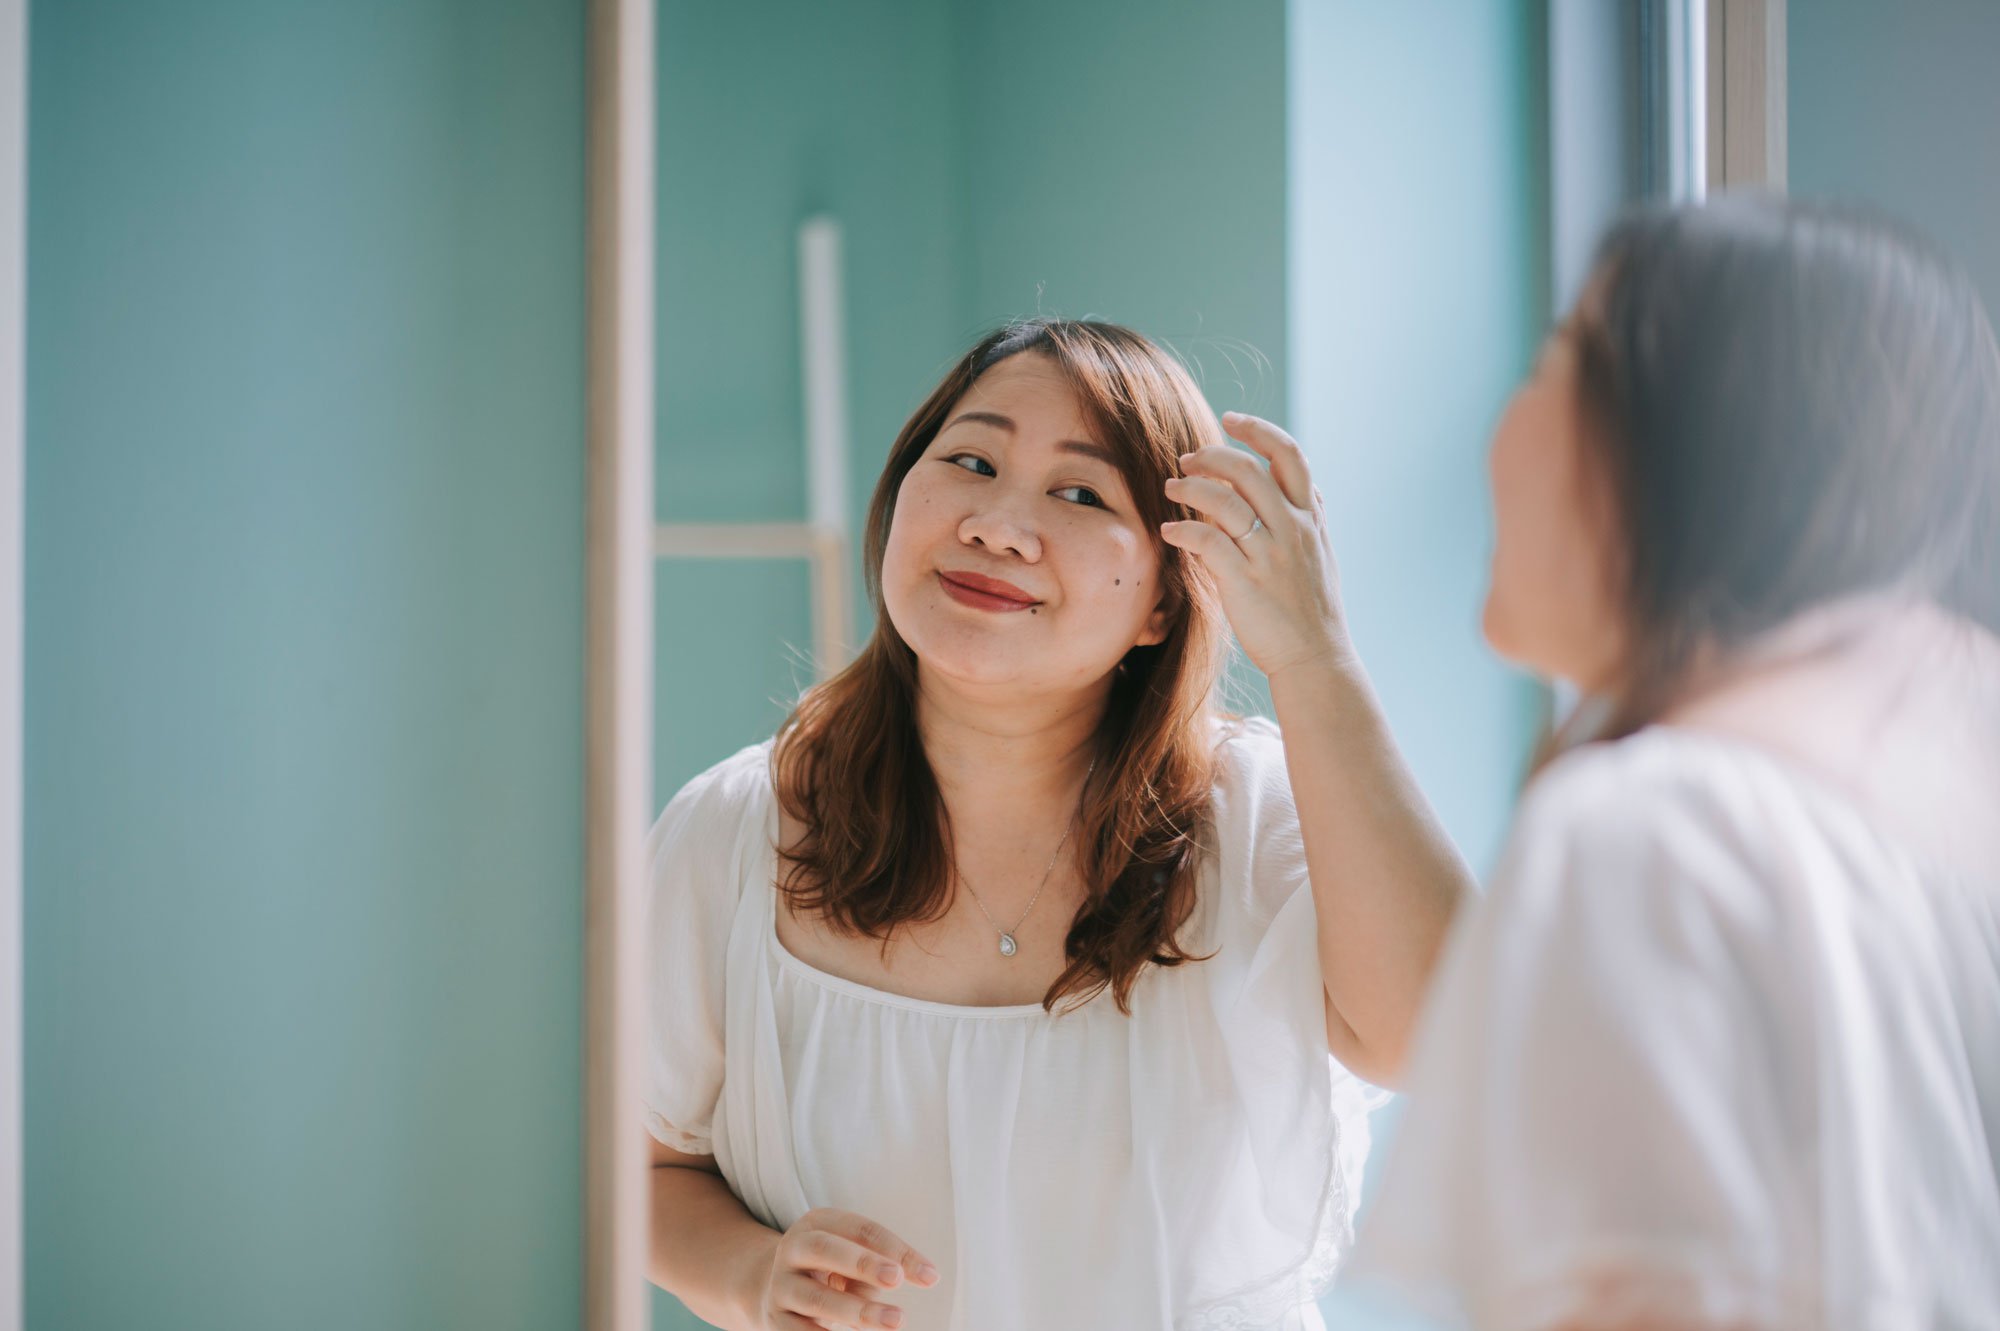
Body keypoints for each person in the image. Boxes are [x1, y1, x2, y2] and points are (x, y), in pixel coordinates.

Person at [1176, 195, 2000, 1329]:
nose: (1497, 428)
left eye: (1555, 365)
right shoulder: (1935, 761)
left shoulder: (1657, 825)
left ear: (1673, 445)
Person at [643, 319, 1471, 1330]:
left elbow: (1438, 1036)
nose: (995, 524)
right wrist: (750, 1273)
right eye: (970, 460)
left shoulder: (1255, 821)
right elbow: (637, 1162)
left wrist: (1315, 658)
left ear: (1165, 601)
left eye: (1079, 493)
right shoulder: (736, 832)